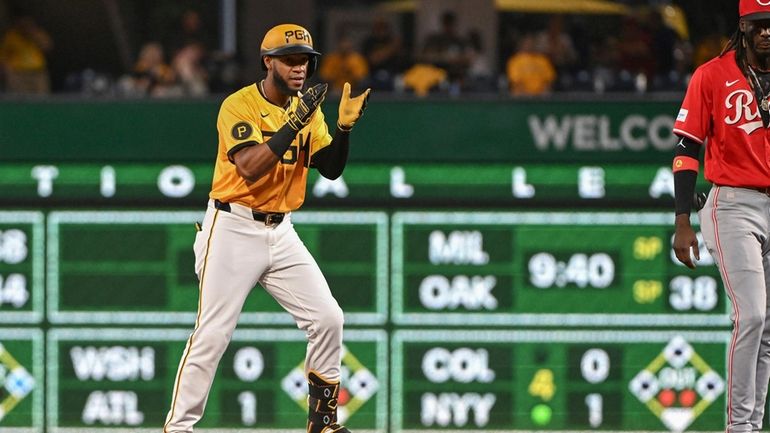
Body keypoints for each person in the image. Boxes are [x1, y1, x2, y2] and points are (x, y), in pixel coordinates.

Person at [162, 23, 370, 433]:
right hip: (233, 225)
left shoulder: (307, 109)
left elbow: (329, 169)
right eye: (290, 60)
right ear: (268, 62)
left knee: (328, 317)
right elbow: (250, 168)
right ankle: (178, 429)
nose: (300, 69)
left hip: (281, 229)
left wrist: (343, 129)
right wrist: (295, 123)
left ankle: (324, 422)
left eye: (306, 61)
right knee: (213, 334)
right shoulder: (238, 105)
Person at [672, 1, 770, 432]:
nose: (767, 32)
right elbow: (685, 150)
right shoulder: (712, 74)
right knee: (750, 316)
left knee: (768, 329)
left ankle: (753, 425)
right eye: (759, 25)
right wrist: (681, 219)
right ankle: (737, 427)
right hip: (733, 203)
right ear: (743, 27)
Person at [0, 13, 52, 94]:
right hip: (19, 73)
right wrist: (8, 73)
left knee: (42, 100)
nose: (25, 26)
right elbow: (3, 57)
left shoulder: (37, 34)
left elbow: (47, 47)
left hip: (38, 73)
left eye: (28, 24)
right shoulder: (11, 36)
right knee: (20, 100)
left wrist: (33, 34)